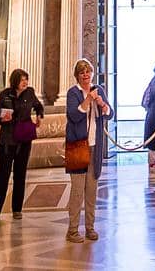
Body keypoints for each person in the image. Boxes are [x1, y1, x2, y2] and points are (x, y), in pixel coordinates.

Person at [0, 68, 43, 223]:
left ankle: (17, 209)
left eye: (26, 79)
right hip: (7, 140)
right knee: (3, 176)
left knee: (20, 175)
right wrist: (1, 119)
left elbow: (38, 106)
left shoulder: (30, 93)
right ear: (15, 80)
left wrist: (39, 116)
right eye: (22, 79)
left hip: (24, 140)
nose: (25, 82)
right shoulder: (5, 94)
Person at [63, 57, 110, 243]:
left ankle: (90, 228)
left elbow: (110, 113)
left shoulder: (99, 90)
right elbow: (74, 115)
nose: (85, 75)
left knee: (91, 190)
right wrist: (88, 100)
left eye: (88, 71)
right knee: (77, 191)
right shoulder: (72, 93)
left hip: (94, 147)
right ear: (77, 75)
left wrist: (102, 104)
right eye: (82, 72)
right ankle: (72, 230)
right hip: (77, 146)